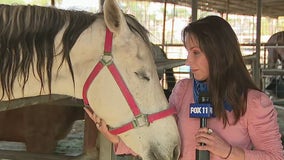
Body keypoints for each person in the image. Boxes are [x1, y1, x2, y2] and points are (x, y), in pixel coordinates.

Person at [84, 15, 284, 160]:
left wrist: (229, 152)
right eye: (188, 52)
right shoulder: (183, 91)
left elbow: (274, 156)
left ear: (219, 53)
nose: (188, 61)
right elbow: (165, 141)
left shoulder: (255, 103)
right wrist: (115, 137)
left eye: (195, 52)